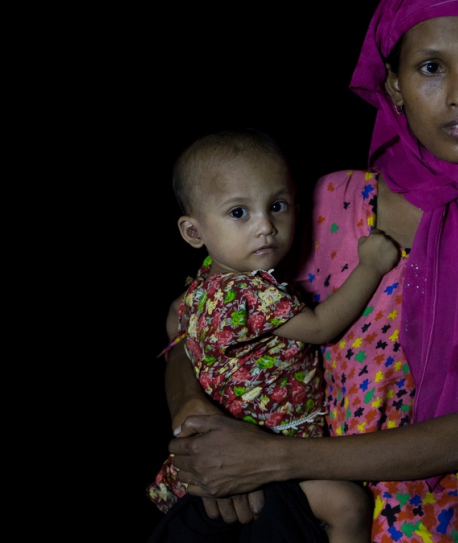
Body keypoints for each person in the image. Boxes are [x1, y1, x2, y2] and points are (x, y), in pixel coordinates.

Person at [159, 1, 458, 541]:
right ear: (394, 84)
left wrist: (267, 459)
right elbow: (200, 321)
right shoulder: (330, 203)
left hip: (450, 529)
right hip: (304, 520)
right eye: (431, 67)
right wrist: (199, 428)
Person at [146, 128, 398, 542]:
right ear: (194, 232)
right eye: (239, 213)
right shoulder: (252, 292)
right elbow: (322, 327)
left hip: (235, 449)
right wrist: (370, 265)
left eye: (277, 206)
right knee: (349, 506)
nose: (266, 226)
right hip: (264, 449)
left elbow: (175, 330)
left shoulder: (196, 291)